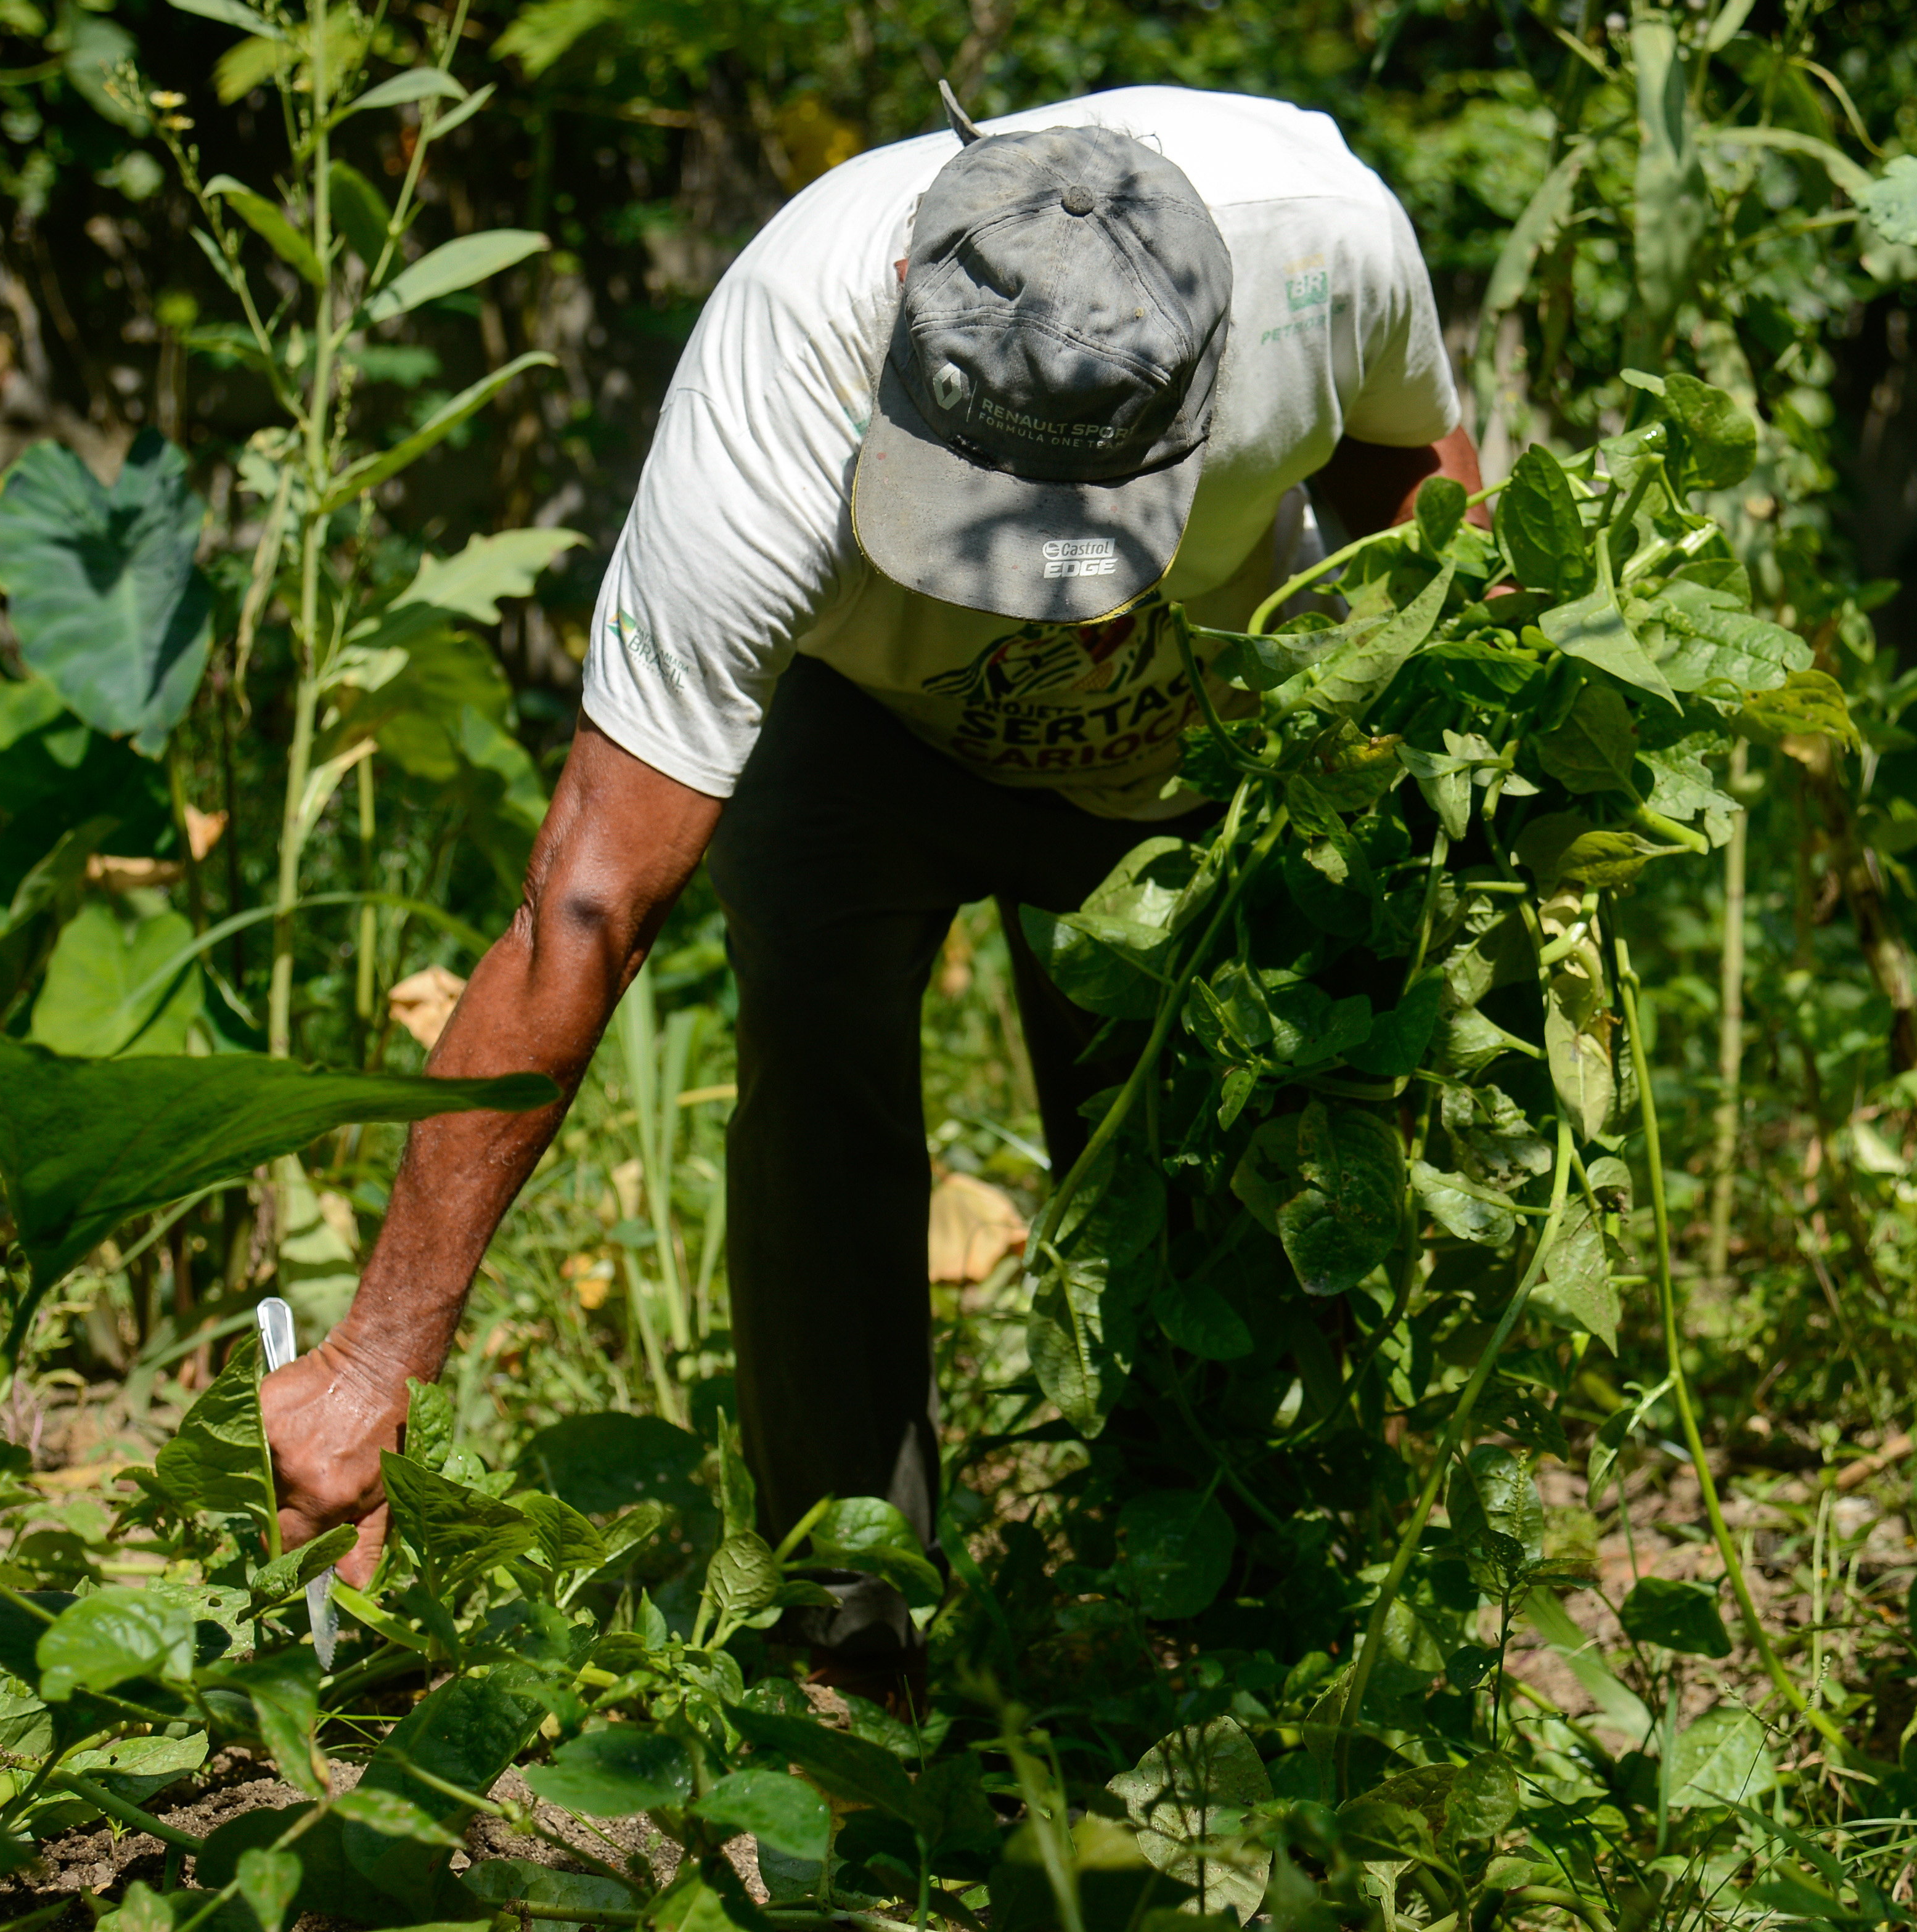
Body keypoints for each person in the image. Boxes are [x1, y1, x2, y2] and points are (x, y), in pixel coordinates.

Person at [258, 82, 1483, 1685]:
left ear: (1210, 369)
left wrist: (1435, 765)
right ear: (909, 307)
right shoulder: (776, 387)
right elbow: (588, 896)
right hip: (858, 726)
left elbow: (1431, 501)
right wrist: (373, 1357)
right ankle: (844, 1643)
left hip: (1185, 738)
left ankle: (1213, 1648)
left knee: (1180, 1164)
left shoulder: (1324, 248)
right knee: (819, 1106)